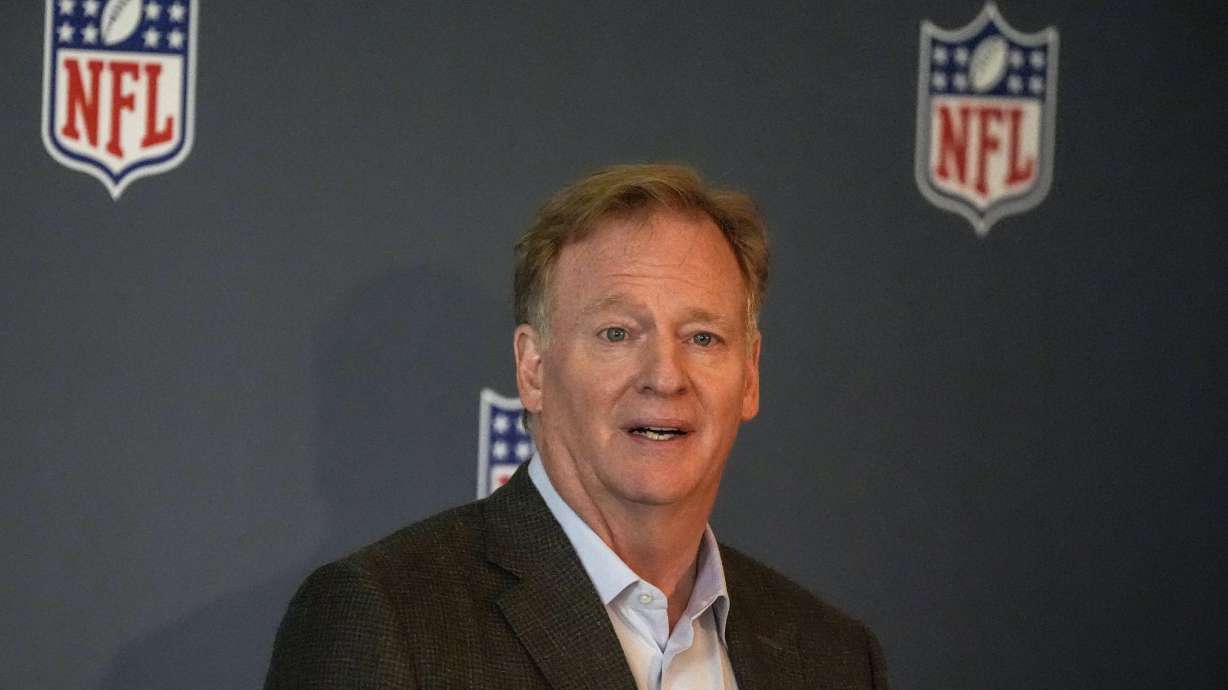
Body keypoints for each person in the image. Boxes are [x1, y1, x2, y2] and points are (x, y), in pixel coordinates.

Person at [265, 163, 890, 689]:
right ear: (533, 369)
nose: (665, 377)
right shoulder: (388, 620)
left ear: (749, 375)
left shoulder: (835, 659)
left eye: (703, 337)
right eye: (617, 333)